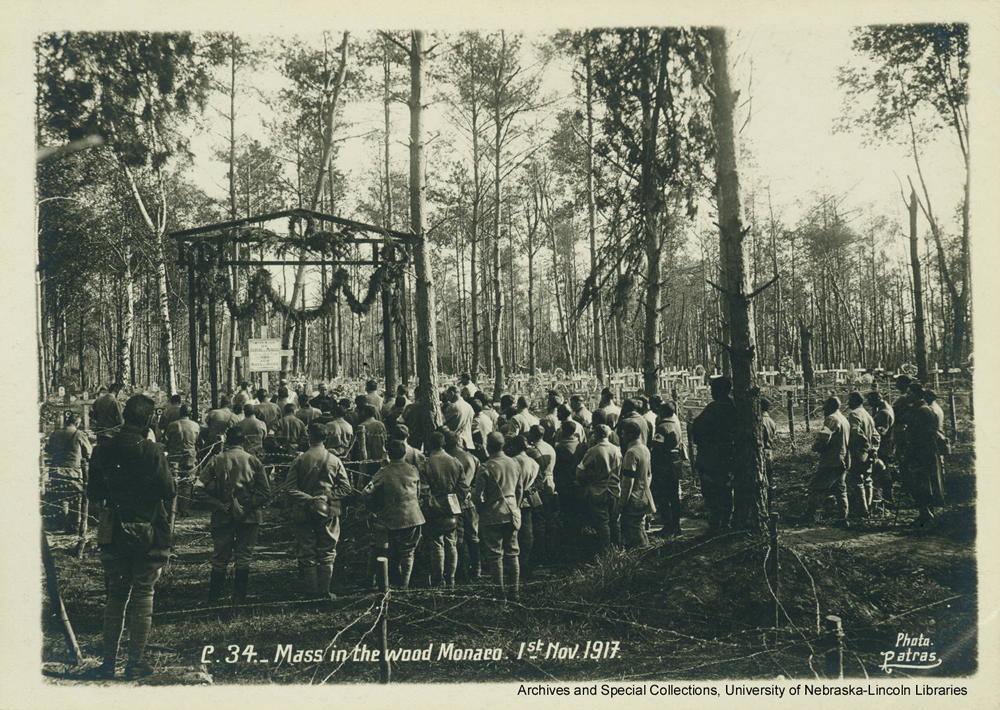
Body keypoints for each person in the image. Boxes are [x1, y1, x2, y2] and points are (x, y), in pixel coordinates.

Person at [85, 394, 175, 680]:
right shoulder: (152, 450)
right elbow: (169, 490)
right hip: (148, 530)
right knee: (144, 595)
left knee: (115, 596)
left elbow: (94, 494)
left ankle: (108, 663)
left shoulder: (102, 449)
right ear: (149, 420)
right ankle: (135, 661)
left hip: (114, 532)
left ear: (124, 416)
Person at [195, 427, 271, 605]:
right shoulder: (254, 461)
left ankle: (213, 600)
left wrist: (220, 506)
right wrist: (246, 507)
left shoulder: (216, 460)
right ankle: (239, 599)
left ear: (226, 441)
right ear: (243, 442)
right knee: (243, 558)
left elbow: (198, 489)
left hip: (222, 516)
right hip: (249, 517)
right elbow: (265, 492)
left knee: (220, 559)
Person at [286, 424, 353, 600]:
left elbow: (290, 488)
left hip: (304, 511)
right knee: (328, 551)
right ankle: (325, 592)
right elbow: (346, 488)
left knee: (307, 552)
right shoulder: (334, 460)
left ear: (310, 437)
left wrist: (309, 499)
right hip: (329, 511)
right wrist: (326, 497)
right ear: (326, 438)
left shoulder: (300, 460)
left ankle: (311, 593)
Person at [362, 439, 425, 590]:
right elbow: (418, 493)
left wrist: (374, 508)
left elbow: (366, 492)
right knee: (408, 552)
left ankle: (374, 581)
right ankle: (404, 584)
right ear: (405, 453)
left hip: (389, 517)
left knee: (379, 548)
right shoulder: (413, 469)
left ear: (389, 453)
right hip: (413, 516)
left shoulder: (384, 472)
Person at [473, 432, 524, 601]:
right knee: (513, 552)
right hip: (512, 512)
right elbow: (519, 489)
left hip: (493, 514)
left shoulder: (486, 467)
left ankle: (499, 593)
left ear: (488, 447)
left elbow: (478, 496)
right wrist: (516, 506)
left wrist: (480, 510)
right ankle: (515, 592)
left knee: (495, 555)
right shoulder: (514, 463)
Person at [419, 431, 467, 589]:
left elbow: (424, 491)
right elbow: (463, 488)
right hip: (452, 507)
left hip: (434, 508)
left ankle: (439, 580)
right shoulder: (455, 462)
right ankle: (451, 579)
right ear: (443, 443)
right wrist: (455, 503)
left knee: (437, 544)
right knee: (451, 543)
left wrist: (432, 505)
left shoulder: (426, 464)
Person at [690, 377, 736, 532]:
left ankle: (715, 525)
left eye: (713, 389)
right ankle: (725, 522)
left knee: (712, 493)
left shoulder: (715, 408)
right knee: (726, 492)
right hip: (728, 458)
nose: (711, 392)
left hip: (712, 459)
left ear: (720, 390)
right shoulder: (733, 406)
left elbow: (697, 429)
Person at [800, 397, 851, 528]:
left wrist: (816, 447)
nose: (824, 411)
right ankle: (843, 517)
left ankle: (809, 516)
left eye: (825, 408)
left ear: (831, 406)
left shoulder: (832, 419)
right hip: (842, 459)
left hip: (831, 461)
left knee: (817, 487)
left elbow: (824, 438)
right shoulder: (843, 419)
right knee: (840, 490)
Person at [576, 424, 623, 551]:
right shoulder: (617, 450)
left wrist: (585, 481)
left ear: (595, 435)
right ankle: (618, 550)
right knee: (614, 522)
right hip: (614, 489)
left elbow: (579, 471)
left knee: (603, 523)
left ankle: (606, 552)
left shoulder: (593, 451)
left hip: (598, 491)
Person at [45, 411, 93, 534]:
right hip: (73, 473)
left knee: (58, 498)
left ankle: (58, 524)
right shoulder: (79, 434)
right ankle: (74, 526)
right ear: (77, 423)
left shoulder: (55, 433)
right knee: (75, 500)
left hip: (56, 472)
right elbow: (89, 453)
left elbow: (49, 449)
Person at [445, 430, 481, 582]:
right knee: (473, 537)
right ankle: (477, 569)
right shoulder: (472, 458)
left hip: (454, 501)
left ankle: (462, 571)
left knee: (458, 538)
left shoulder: (448, 459)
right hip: (470, 500)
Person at [617, 420, 655, 548]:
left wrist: (622, 502)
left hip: (634, 497)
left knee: (634, 528)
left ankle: (642, 553)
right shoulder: (644, 449)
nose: (622, 436)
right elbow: (649, 474)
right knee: (640, 526)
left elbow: (628, 481)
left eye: (623, 434)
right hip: (644, 494)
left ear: (630, 435)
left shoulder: (631, 453)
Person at [650, 401, 685, 537]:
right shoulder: (676, 425)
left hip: (664, 465)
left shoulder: (662, 427)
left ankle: (668, 526)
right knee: (674, 496)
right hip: (675, 463)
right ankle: (676, 525)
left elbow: (657, 447)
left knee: (663, 495)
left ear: (662, 413)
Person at [525, 425, 557, 561]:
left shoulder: (532, 451)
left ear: (532, 435)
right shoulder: (549, 447)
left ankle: (540, 551)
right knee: (549, 517)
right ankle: (550, 548)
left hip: (539, 485)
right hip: (551, 482)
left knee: (539, 519)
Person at [509, 435, 540, 570]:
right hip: (527, 500)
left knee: (513, 532)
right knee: (527, 531)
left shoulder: (512, 461)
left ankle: (513, 562)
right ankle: (524, 561)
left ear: (515, 447)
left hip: (514, 499)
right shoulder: (534, 463)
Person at [163, 405, 200, 518]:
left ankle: (172, 509)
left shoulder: (172, 425)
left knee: (173, 481)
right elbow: (198, 442)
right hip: (189, 457)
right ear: (190, 414)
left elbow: (166, 441)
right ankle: (183, 509)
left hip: (174, 456)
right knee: (187, 483)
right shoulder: (195, 426)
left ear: (180, 413)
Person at [846, 391, 879, 518]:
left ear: (855, 401)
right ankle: (869, 507)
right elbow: (876, 435)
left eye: (850, 400)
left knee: (857, 480)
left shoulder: (854, 414)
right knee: (868, 479)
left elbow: (856, 432)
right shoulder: (868, 415)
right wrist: (874, 448)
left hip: (858, 452)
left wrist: (865, 446)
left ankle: (862, 510)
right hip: (869, 453)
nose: (848, 403)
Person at [553, 420, 585, 527]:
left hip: (564, 482)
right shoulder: (581, 446)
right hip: (578, 480)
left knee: (565, 507)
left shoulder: (559, 447)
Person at [867, 390, 895, 504]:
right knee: (884, 471)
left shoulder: (883, 413)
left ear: (877, 399)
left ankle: (887, 498)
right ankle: (886, 497)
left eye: (870, 401)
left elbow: (880, 433)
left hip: (882, 446)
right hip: (885, 445)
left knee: (883, 471)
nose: (869, 403)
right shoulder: (885, 408)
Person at [760, 398, 778, 490]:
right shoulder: (771, 421)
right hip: (769, 453)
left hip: (761, 453)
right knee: (769, 480)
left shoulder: (760, 421)